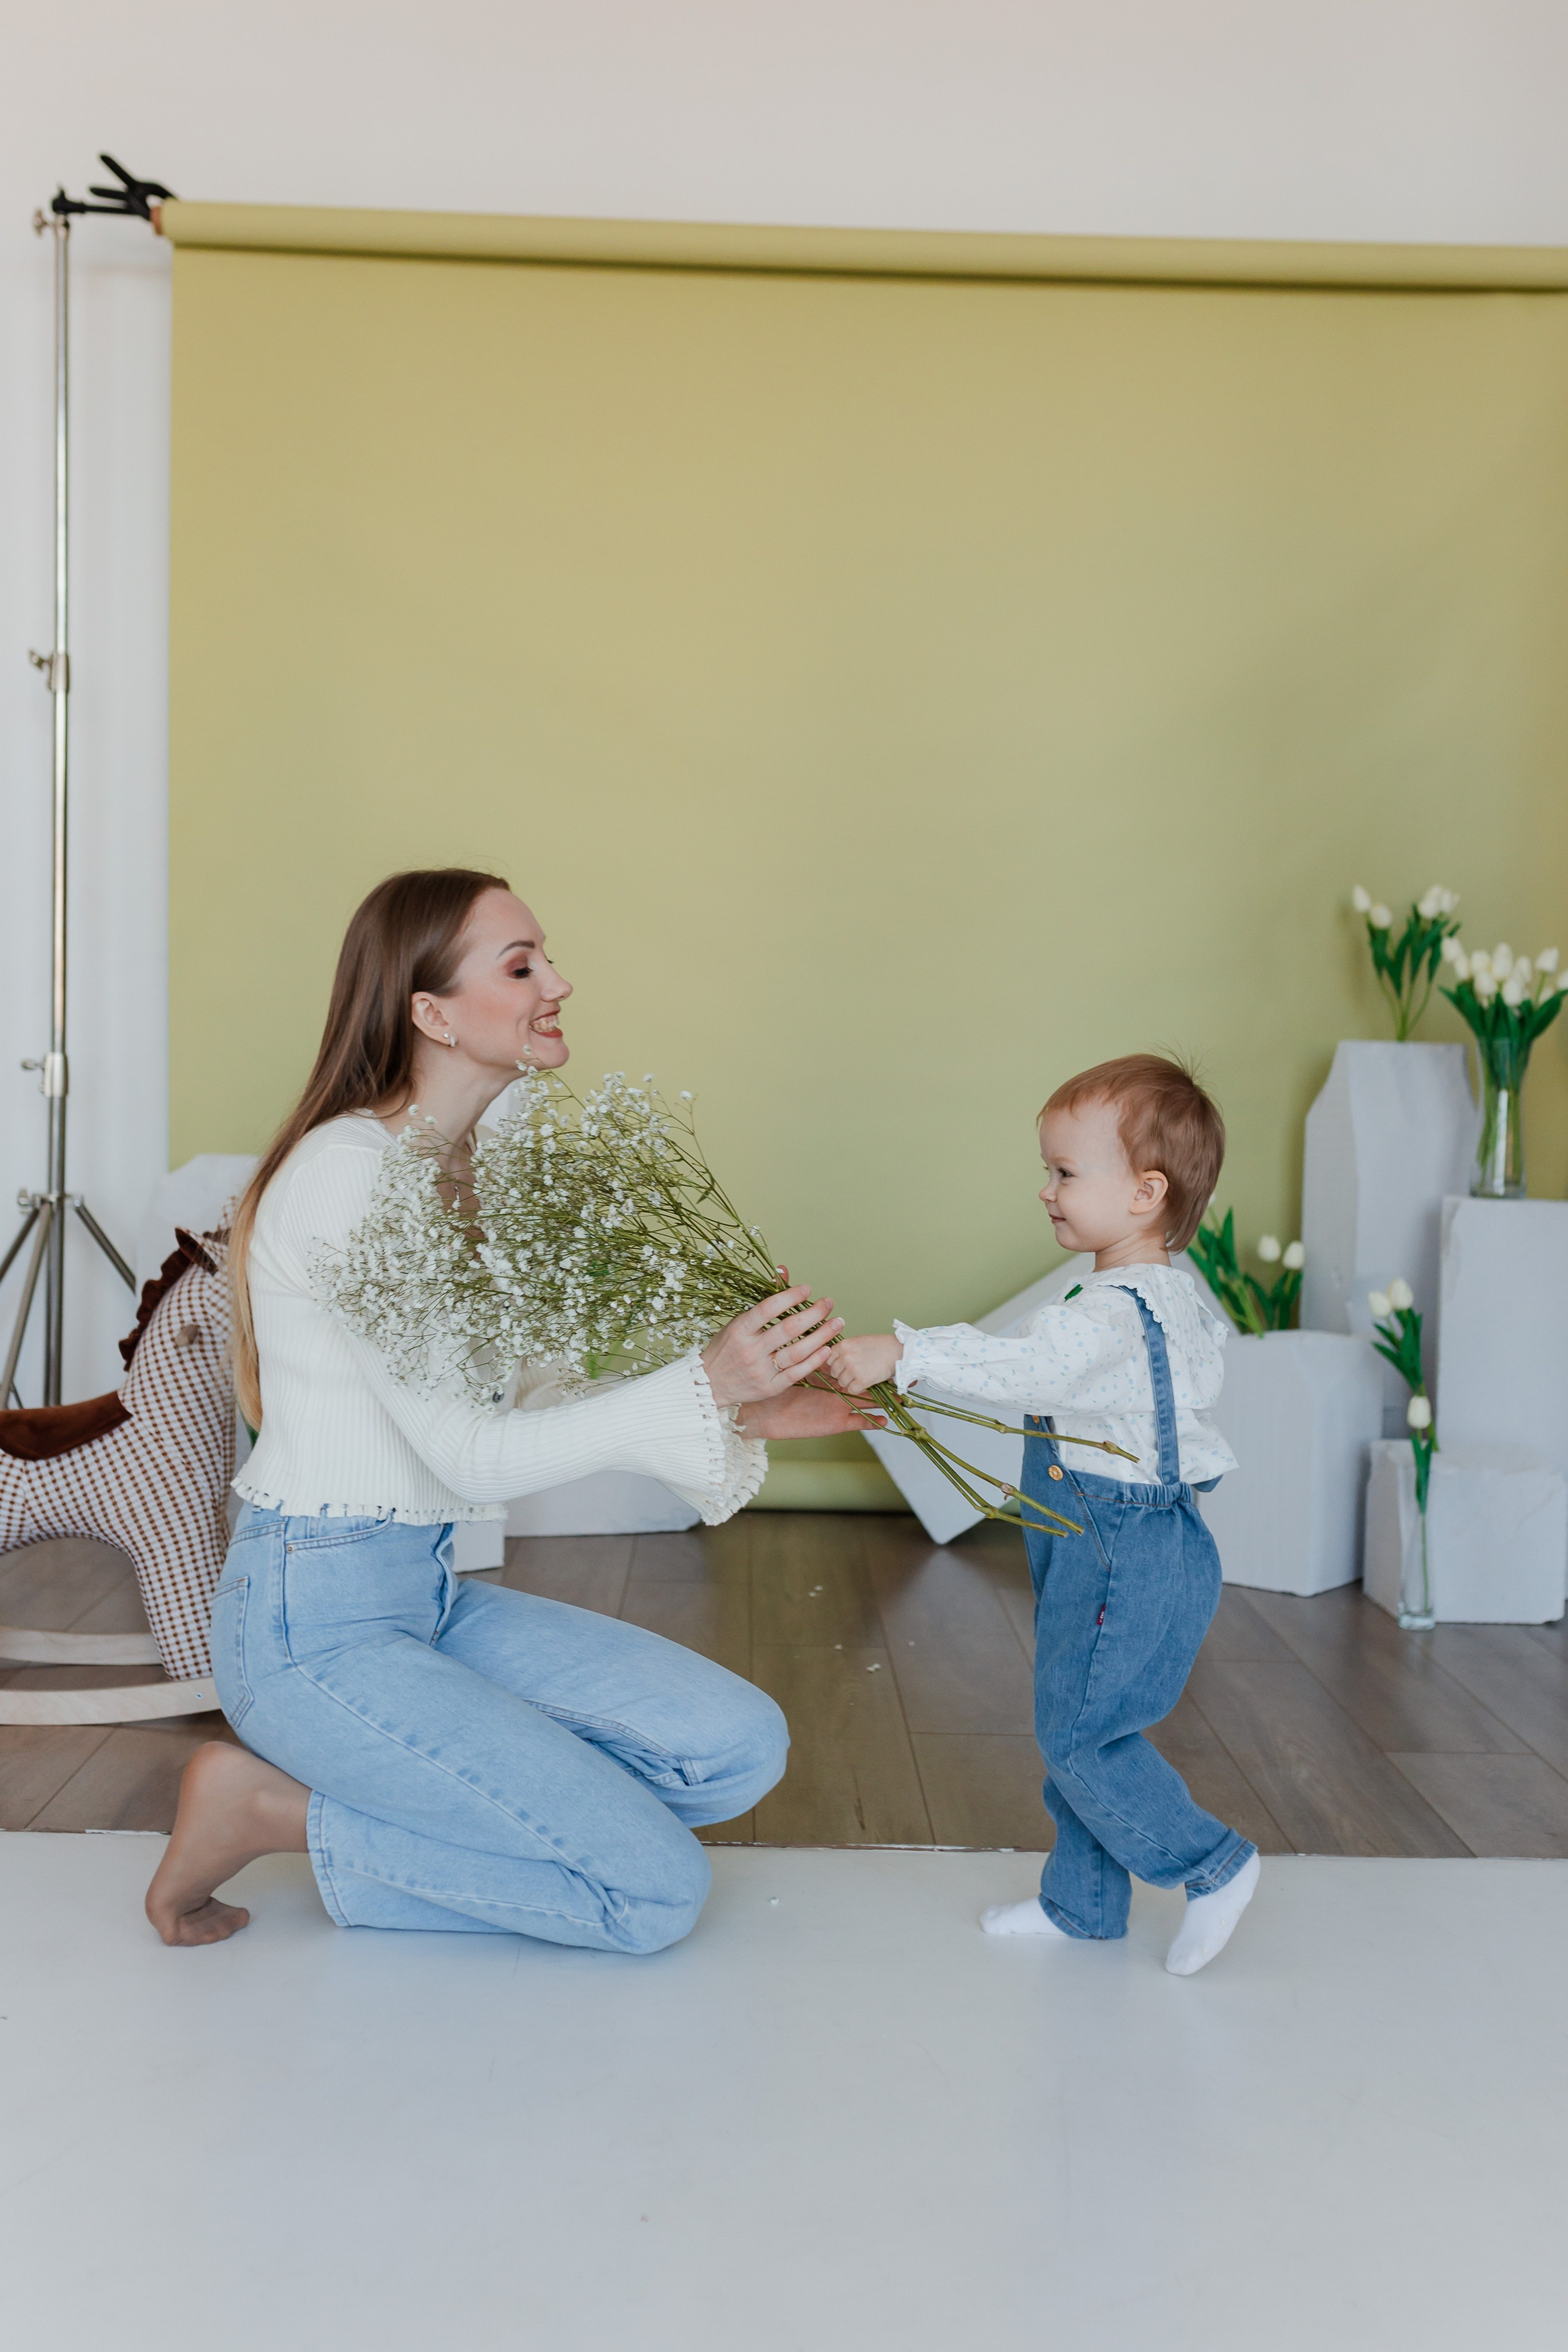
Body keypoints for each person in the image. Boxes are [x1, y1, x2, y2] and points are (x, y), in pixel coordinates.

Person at [146, 869, 877, 1950]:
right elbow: (471, 1457)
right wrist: (703, 1383)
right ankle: (265, 1808)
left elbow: (528, 1397)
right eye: (522, 966)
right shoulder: (348, 1173)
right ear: (432, 1013)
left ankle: (478, 1799)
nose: (559, 984)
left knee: (734, 1749)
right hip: (312, 1629)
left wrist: (739, 1414)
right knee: (653, 1897)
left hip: (426, 1596)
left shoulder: (467, 1169)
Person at [827, 1054, 1260, 1977]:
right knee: (1078, 1719)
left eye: (1065, 1172)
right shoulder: (1166, 1295)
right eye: (1048, 1170)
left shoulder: (1110, 1315)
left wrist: (902, 1353)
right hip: (1138, 1537)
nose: (1046, 1190)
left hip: (1118, 1547)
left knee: (1079, 1736)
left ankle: (1210, 1863)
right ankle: (1083, 1904)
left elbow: (1025, 1369)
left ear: (1145, 1192)